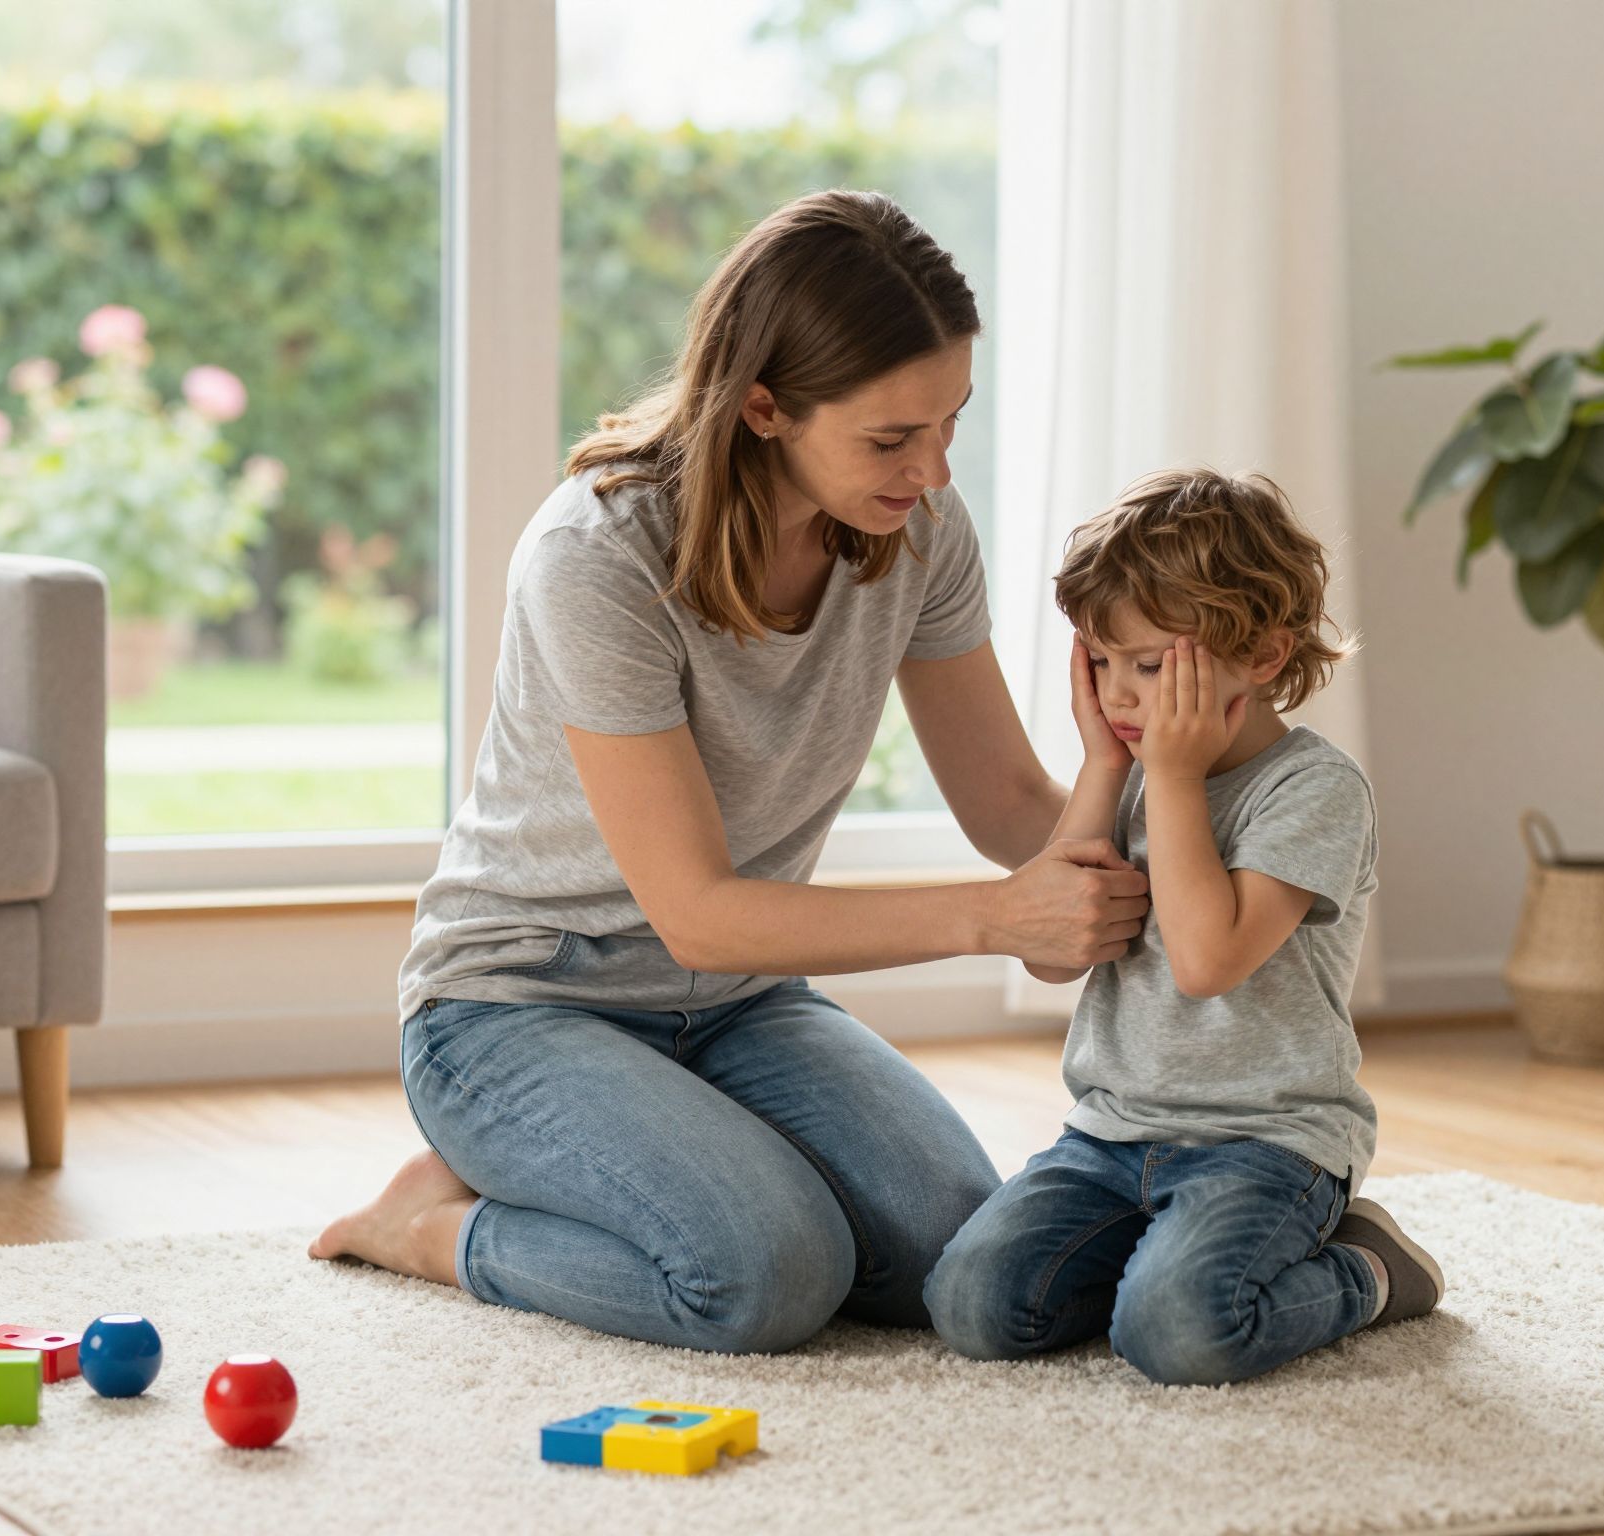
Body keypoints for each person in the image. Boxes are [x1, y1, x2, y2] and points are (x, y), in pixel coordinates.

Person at [308, 190, 1151, 1355]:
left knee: (952, 1252)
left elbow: (1006, 802)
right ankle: (431, 1226)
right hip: (522, 999)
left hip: (737, 1005)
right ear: (763, 405)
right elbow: (696, 912)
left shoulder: (918, 534)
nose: (934, 471)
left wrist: (1157, 843)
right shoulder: (595, 557)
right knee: (761, 1275)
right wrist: (998, 921)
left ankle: (653, 1154)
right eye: (891, 438)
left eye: (950, 422)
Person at [923, 467, 1444, 1386]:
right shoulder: (1125, 768)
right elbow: (1057, 953)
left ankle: (1365, 1271)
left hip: (1267, 1142)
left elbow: (1207, 963)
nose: (1123, 697)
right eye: (1103, 663)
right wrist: (1099, 765)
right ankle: (1160, 1262)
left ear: (1266, 656)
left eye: (1154, 666)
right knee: (971, 1303)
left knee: (1179, 1335)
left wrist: (1166, 779)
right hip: (1112, 1133)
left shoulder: (1313, 790)